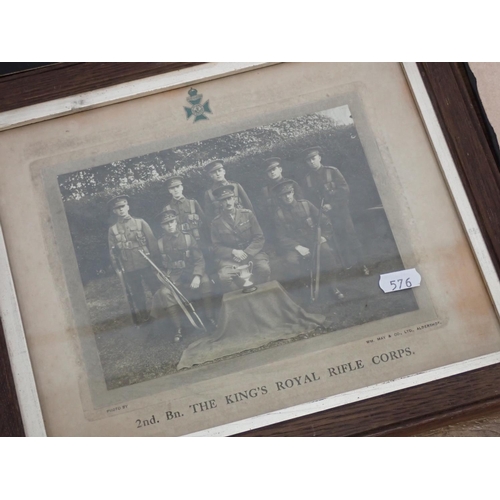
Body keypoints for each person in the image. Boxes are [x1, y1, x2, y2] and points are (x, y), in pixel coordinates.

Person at [271, 180, 344, 300]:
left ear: (293, 192)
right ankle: (304, 287)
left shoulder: (305, 204)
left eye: (289, 192)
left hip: (314, 240)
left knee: (327, 253)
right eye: (284, 195)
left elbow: (324, 220)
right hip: (296, 245)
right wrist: (297, 247)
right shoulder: (279, 215)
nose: (287, 196)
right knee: (291, 261)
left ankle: (333, 286)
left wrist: (324, 236)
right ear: (280, 197)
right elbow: (281, 237)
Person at [301, 146, 369, 275]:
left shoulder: (331, 171)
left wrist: (332, 205)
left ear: (319, 158)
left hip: (340, 212)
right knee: (334, 241)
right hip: (323, 216)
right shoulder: (307, 179)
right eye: (308, 160)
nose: (312, 162)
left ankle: (363, 265)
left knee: (350, 236)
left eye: (313, 158)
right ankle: (345, 266)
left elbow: (344, 190)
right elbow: (308, 200)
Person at [150, 209, 216, 341]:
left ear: (176, 221)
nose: (170, 225)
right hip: (173, 278)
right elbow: (157, 267)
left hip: (191, 273)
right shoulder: (159, 244)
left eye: (172, 221)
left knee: (205, 282)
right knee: (164, 293)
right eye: (166, 223)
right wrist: (165, 278)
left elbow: (199, 259)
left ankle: (210, 318)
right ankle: (179, 328)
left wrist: (197, 276)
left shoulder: (188, 238)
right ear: (162, 226)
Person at [107, 195, 160, 325]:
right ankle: (145, 317)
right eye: (118, 208)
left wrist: (156, 262)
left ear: (128, 207)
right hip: (128, 266)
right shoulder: (112, 230)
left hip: (145, 262)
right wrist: (118, 269)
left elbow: (152, 243)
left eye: (123, 206)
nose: (121, 210)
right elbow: (112, 251)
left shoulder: (140, 222)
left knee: (155, 287)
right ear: (114, 211)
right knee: (137, 293)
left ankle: (162, 311)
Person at [210, 185, 270, 292]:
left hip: (252, 253)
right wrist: (233, 252)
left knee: (264, 269)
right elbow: (216, 247)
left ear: (234, 199)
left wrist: (246, 253)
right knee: (224, 278)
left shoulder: (247, 214)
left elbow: (259, 237)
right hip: (231, 259)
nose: (227, 202)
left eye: (229, 198)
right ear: (220, 203)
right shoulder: (216, 223)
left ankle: (261, 295)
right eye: (224, 200)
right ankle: (241, 301)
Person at [162, 176, 205, 242]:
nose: (175, 190)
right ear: (169, 191)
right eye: (172, 188)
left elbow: (204, 223)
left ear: (182, 187)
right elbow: (167, 231)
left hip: (197, 240)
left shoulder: (193, 203)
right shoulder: (167, 209)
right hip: (180, 243)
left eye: (177, 186)